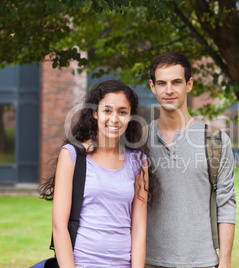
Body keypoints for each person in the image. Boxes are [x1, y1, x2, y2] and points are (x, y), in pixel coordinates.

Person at [39, 80, 155, 268]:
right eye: (107, 110)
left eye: (122, 112)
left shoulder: (139, 162)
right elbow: (59, 227)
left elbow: (139, 229)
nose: (114, 118)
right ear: (95, 113)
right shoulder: (73, 155)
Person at [145, 52, 236, 268]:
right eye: (162, 83)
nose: (169, 90)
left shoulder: (216, 141)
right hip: (148, 261)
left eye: (176, 82)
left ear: (189, 84)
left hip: (202, 262)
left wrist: (225, 262)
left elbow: (226, 203)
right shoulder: (137, 141)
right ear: (152, 87)